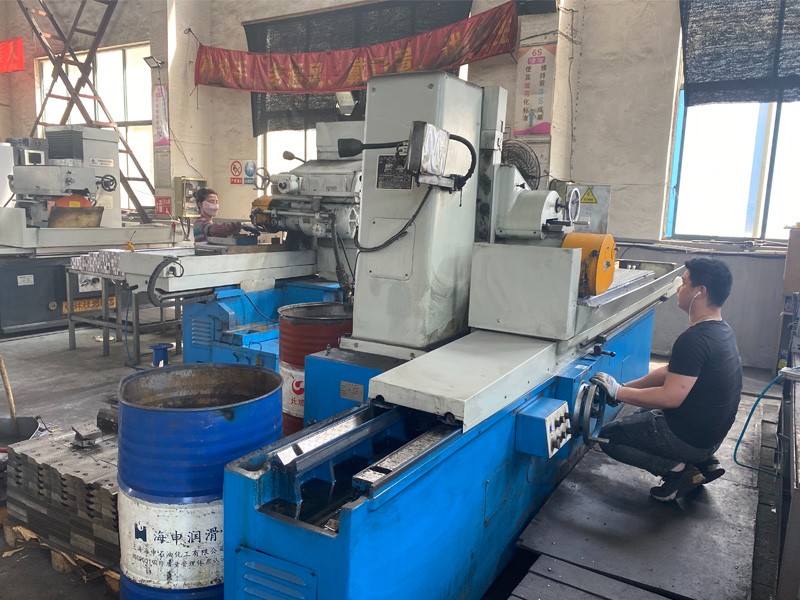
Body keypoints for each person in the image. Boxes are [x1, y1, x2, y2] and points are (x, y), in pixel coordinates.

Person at [591, 257, 742, 502]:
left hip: (691, 439)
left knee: (609, 437)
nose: (679, 288)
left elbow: (670, 397)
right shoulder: (721, 330)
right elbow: (670, 371)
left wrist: (617, 392)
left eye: (684, 283)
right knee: (641, 411)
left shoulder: (694, 340)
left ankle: (678, 472)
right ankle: (704, 462)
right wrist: (625, 389)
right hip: (711, 436)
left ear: (700, 292)